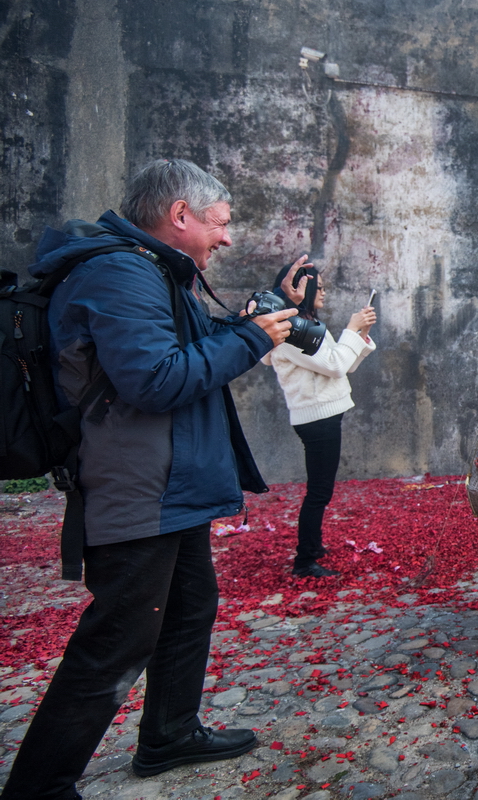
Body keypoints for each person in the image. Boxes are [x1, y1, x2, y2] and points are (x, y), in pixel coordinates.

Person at [1, 159, 298, 795]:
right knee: (119, 635)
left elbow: (184, 344)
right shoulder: (119, 272)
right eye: (219, 224)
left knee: (190, 605)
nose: (226, 238)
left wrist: (253, 321)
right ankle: (38, 786)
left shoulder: (149, 270)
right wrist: (250, 341)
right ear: (180, 216)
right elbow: (155, 378)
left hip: (168, 482)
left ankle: (169, 731)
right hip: (135, 484)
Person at [263, 265, 377, 578]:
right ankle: (305, 559)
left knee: (320, 490)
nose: (324, 292)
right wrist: (352, 330)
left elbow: (344, 365)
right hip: (316, 418)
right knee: (318, 492)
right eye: (320, 287)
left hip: (324, 414)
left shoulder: (308, 324)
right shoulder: (291, 331)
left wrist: (360, 334)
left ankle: (313, 547)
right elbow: (336, 365)